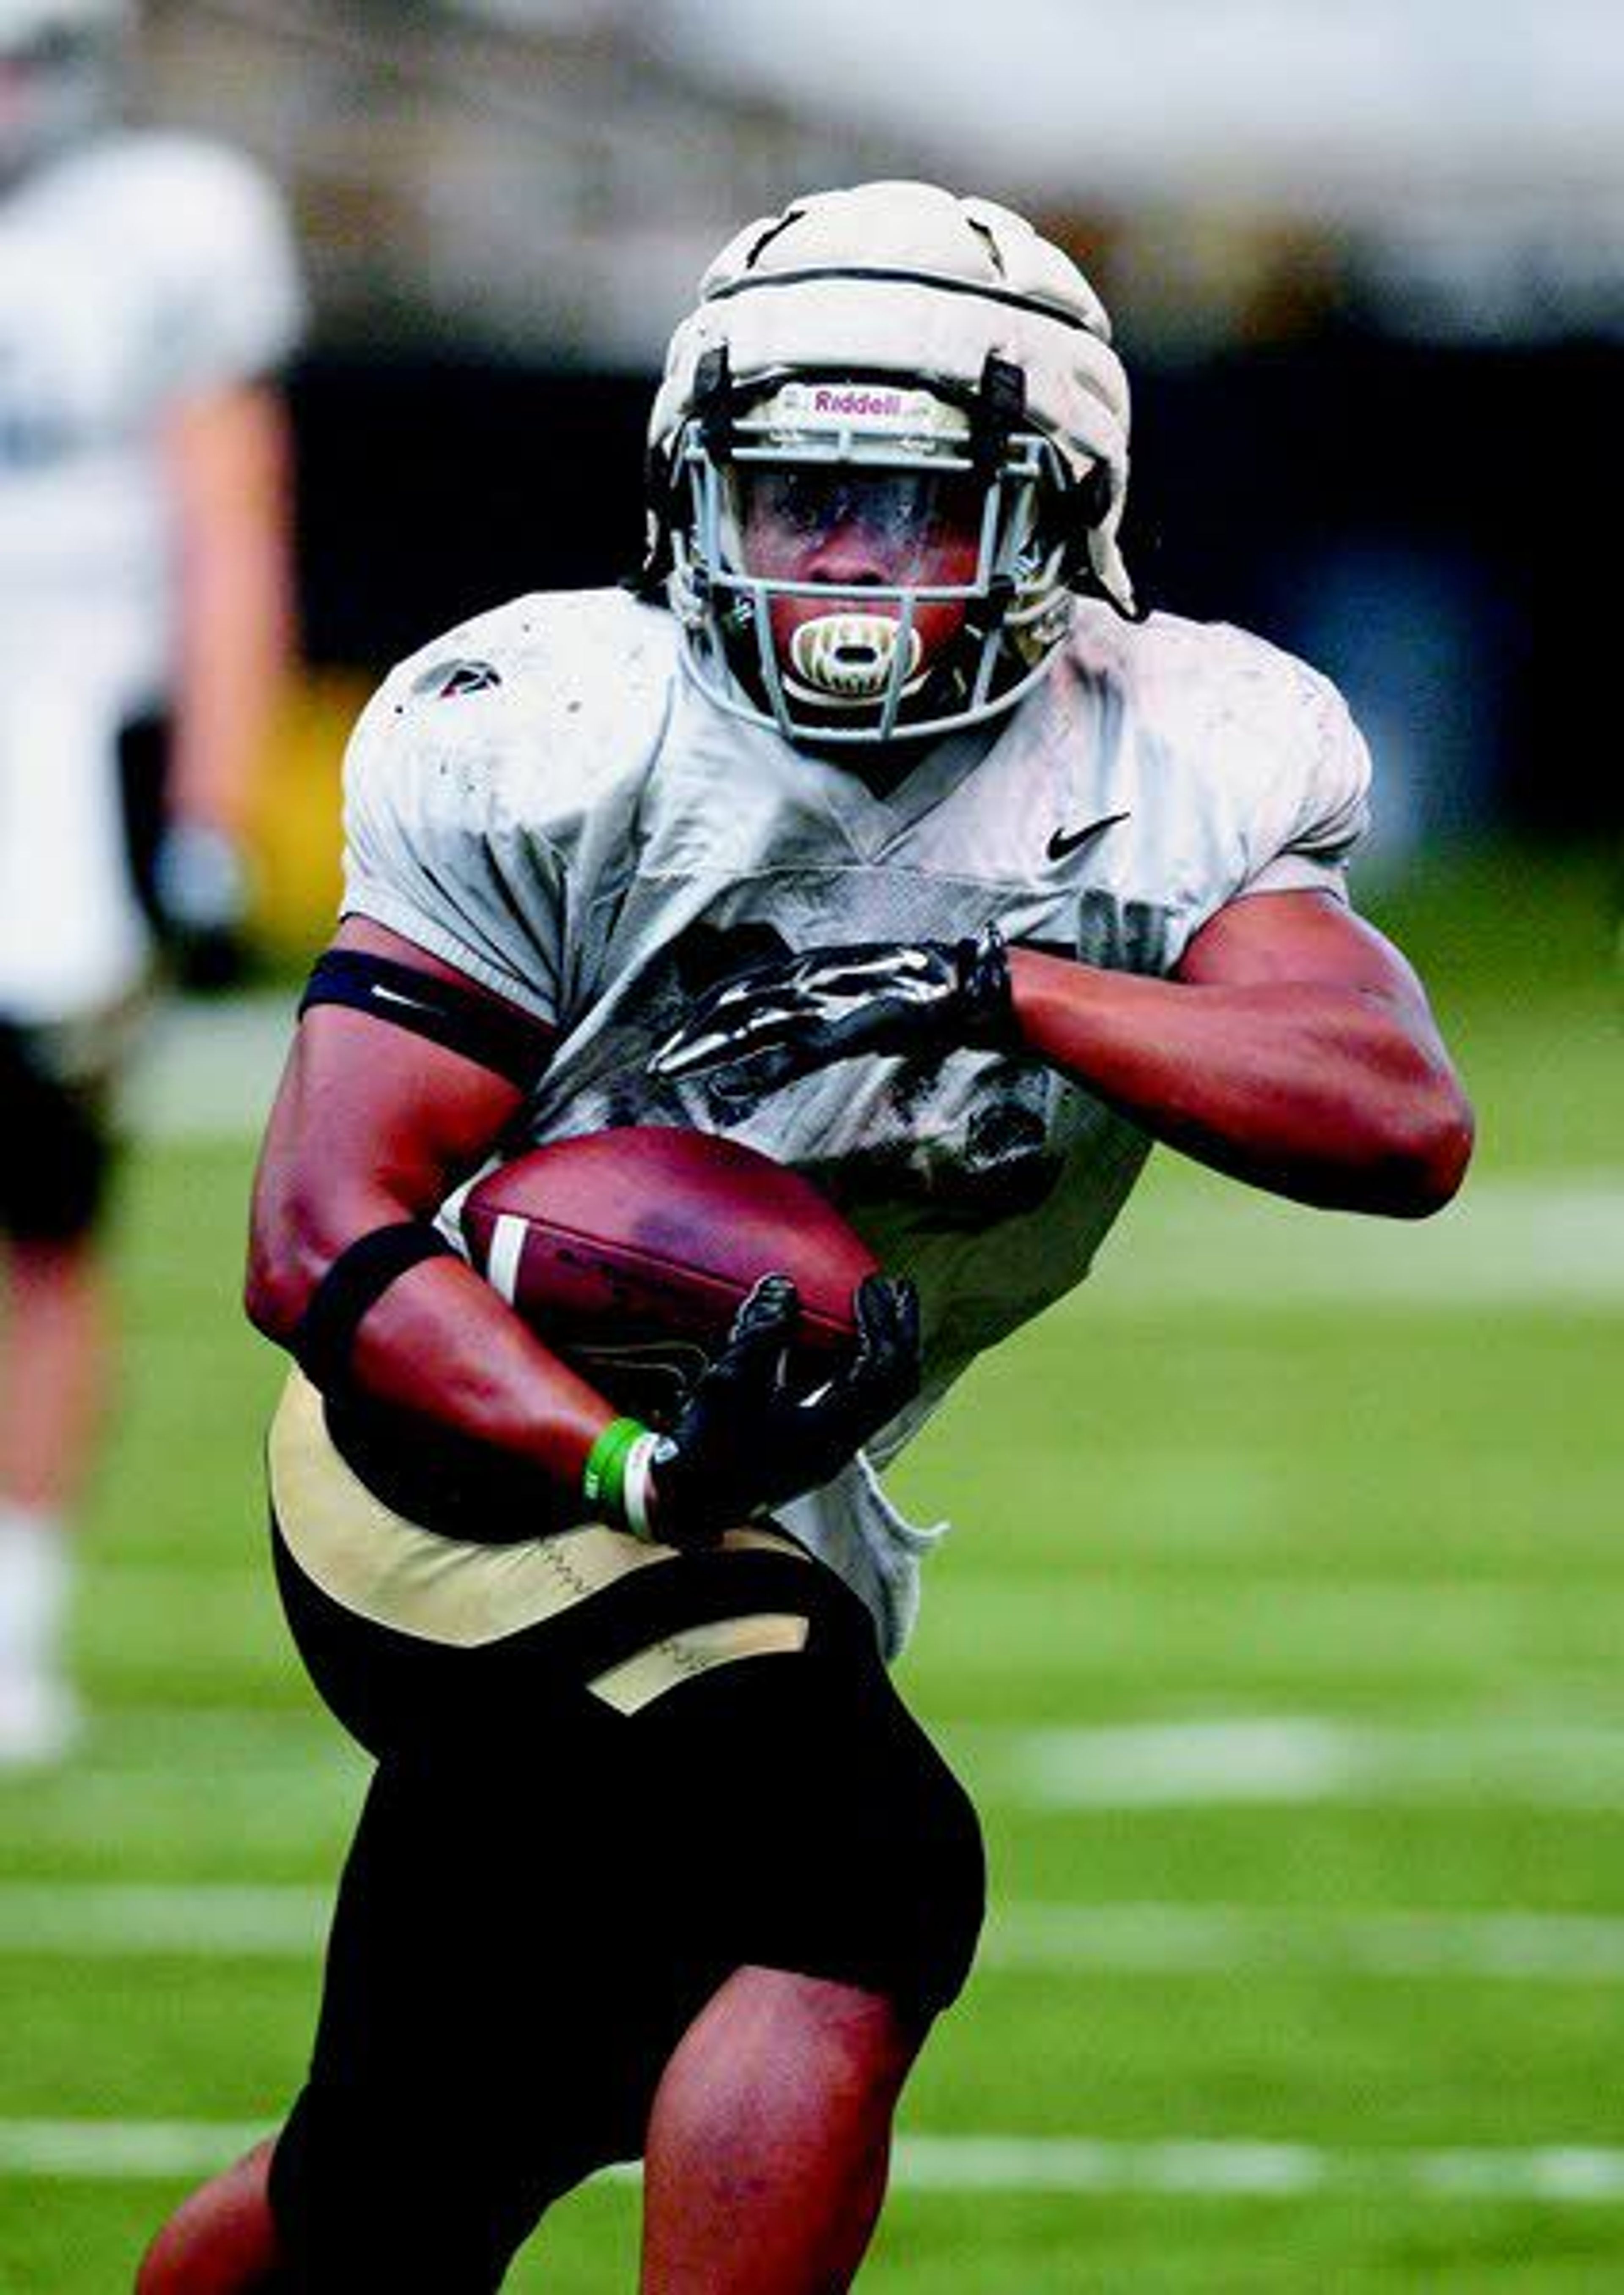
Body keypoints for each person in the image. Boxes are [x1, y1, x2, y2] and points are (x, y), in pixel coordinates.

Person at [135, 180, 1473, 2292]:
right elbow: (318, 1235)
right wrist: (629, 1465)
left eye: (905, 502)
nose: (839, 559)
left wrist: (999, 981)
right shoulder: (556, 730)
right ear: (691, 493)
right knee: (868, 1874)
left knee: (430, 2158)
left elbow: (1398, 1124)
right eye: (792, 492)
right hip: (462, 1451)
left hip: (766, 1491)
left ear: (1060, 514)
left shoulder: (1185, 743)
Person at [0, 0, 303, 1762]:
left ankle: (15, 1614)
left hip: (58, 775)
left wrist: (205, 807)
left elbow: (225, 520)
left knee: (43, 1225)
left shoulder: (163, 225)